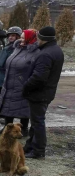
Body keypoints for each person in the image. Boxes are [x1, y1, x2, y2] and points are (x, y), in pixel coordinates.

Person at [22, 26, 64, 159]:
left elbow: (39, 77)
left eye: (39, 37)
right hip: (46, 92)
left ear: (44, 39)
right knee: (36, 121)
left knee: (38, 122)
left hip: (39, 93)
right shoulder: (56, 50)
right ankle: (30, 146)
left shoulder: (45, 54)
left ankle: (38, 150)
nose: (37, 40)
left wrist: (26, 87)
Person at [0, 29, 39, 137]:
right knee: (8, 104)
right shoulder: (18, 48)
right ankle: (8, 127)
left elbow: (35, 69)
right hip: (10, 81)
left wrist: (26, 81)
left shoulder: (35, 52)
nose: (21, 39)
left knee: (23, 106)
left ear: (30, 39)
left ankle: (23, 129)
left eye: (24, 38)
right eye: (21, 37)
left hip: (23, 83)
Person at [0, 26, 23, 121]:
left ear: (18, 37)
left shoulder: (15, 48)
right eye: (10, 35)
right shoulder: (7, 46)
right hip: (1, 72)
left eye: (13, 36)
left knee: (2, 93)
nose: (11, 37)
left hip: (7, 73)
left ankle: (1, 113)